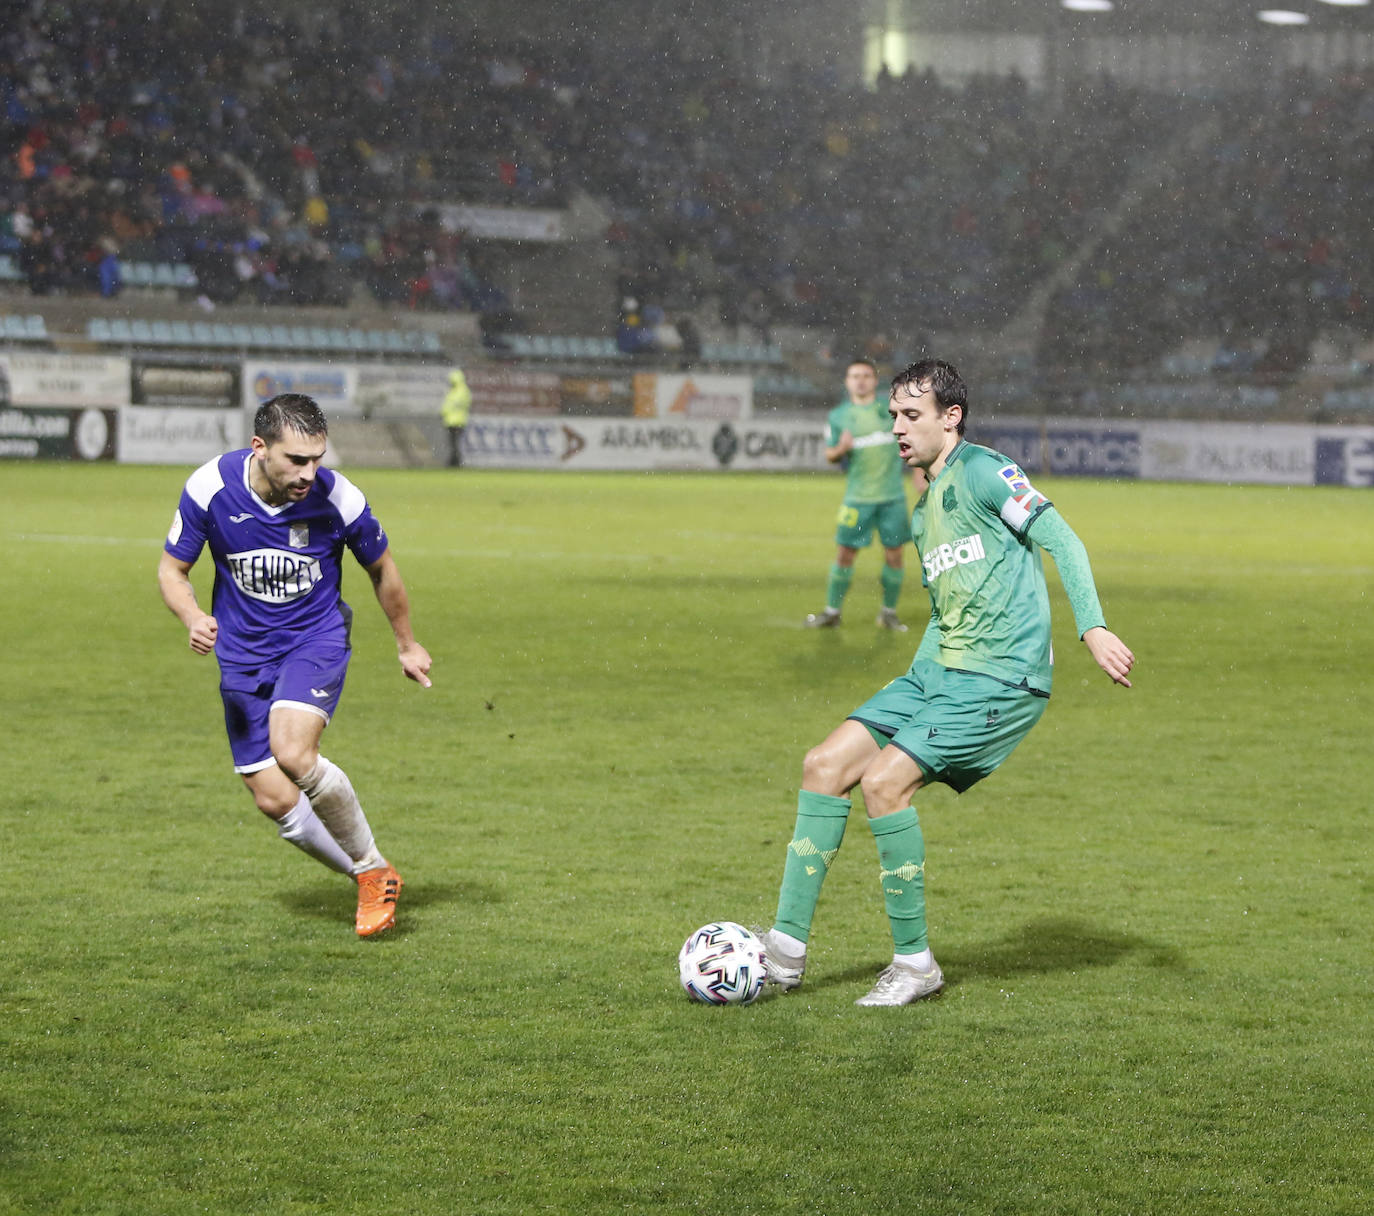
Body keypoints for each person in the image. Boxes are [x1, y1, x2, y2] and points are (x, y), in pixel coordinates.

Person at [762, 358, 1135, 1005]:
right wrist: (917, 685)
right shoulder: (923, 507)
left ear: (950, 417)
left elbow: (1063, 539)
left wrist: (1092, 627)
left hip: (1001, 679)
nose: (899, 429)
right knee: (823, 764)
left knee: (883, 784)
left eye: (912, 416)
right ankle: (782, 956)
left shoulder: (987, 472)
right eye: (894, 418)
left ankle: (916, 967)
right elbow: (944, 612)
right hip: (939, 674)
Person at [157, 393, 433, 937]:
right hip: (241, 655)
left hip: (315, 639)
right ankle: (372, 871)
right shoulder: (210, 489)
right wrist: (191, 615)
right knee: (273, 797)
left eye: (318, 458)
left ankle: (373, 878)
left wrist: (407, 643)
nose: (311, 472)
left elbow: (383, 569)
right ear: (259, 448)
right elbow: (172, 570)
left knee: (293, 751)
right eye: (296, 461)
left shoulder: (339, 498)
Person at [805, 358, 912, 631]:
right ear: (847, 382)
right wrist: (841, 449)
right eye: (855, 376)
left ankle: (888, 613)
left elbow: (912, 442)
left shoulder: (891, 411)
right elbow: (829, 454)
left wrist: (922, 474)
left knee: (894, 556)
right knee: (845, 555)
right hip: (858, 498)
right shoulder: (839, 416)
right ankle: (832, 612)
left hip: (892, 498)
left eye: (866, 375)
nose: (861, 380)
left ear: (875, 381)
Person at [441, 367, 472, 467]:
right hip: (458, 420)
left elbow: (450, 405)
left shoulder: (457, 392)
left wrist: (443, 412)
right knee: (455, 443)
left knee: (454, 444)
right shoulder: (464, 391)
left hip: (454, 421)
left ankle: (455, 462)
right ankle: (455, 461)